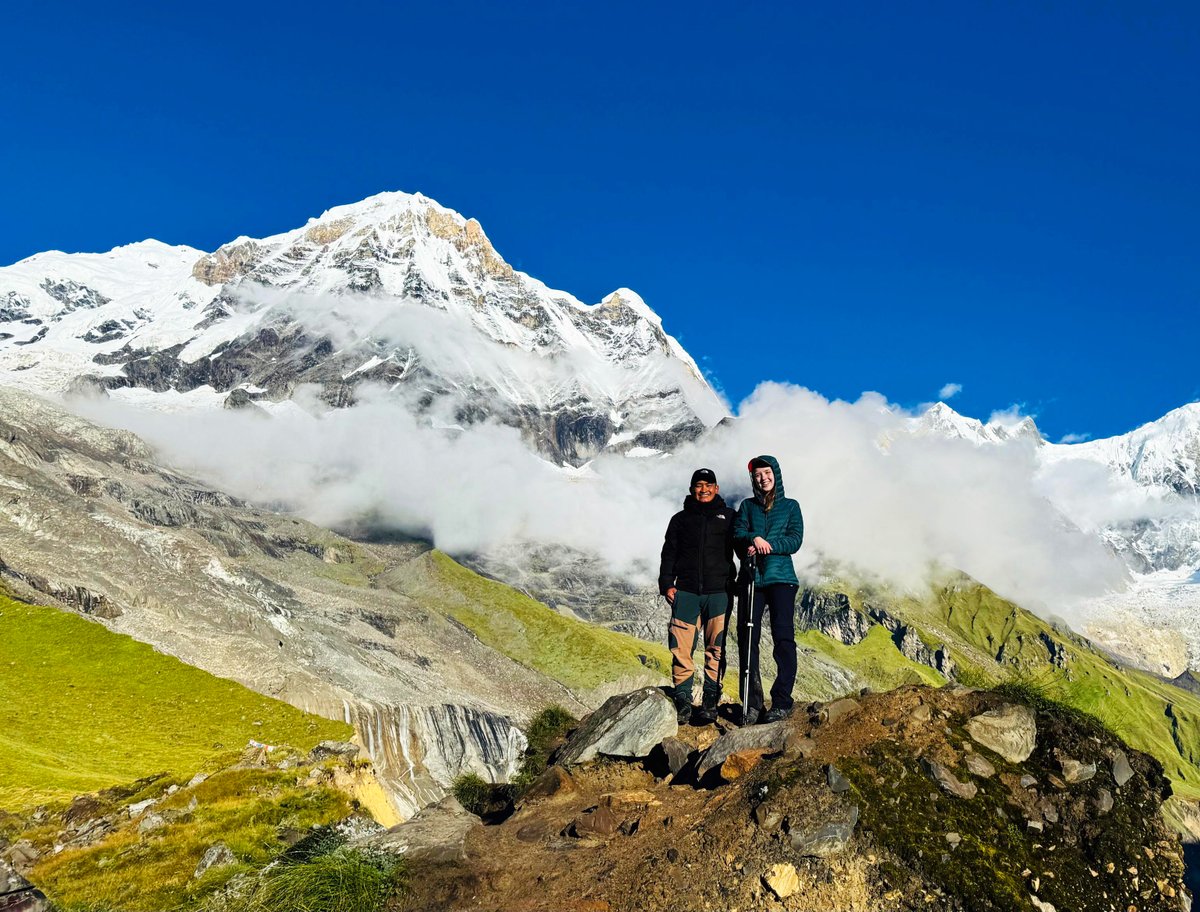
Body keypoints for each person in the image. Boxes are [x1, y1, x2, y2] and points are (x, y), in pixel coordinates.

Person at [658, 468, 737, 725]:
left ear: (716, 488)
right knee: (681, 648)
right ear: (692, 489)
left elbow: (742, 545)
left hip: (719, 592)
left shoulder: (730, 517)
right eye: (698, 485)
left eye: (708, 485)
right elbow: (668, 552)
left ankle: (710, 702)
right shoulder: (679, 520)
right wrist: (667, 584)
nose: (703, 489)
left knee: (716, 647)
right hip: (687, 592)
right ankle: (683, 700)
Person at [733, 455, 804, 725]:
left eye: (767, 473)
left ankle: (782, 701)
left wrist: (768, 544)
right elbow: (738, 533)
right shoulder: (747, 507)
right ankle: (752, 704)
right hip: (752, 579)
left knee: (783, 638)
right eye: (758, 475)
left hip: (782, 579)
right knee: (747, 639)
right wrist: (753, 537)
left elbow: (795, 539)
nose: (763, 478)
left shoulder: (790, 506)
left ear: (776, 474)